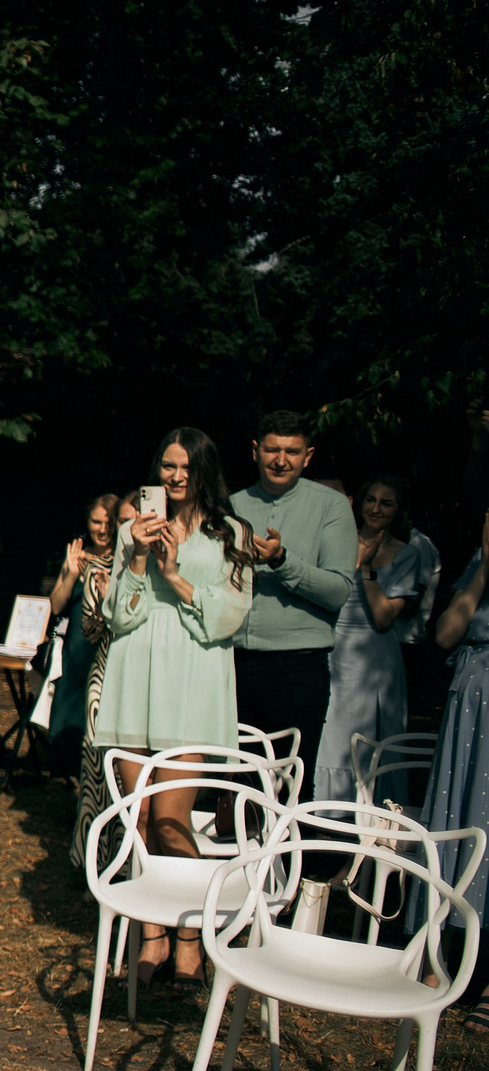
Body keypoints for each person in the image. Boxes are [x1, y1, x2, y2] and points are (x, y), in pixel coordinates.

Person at [89, 427, 256, 989]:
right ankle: (152, 937)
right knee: (138, 821)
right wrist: (137, 556)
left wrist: (175, 576)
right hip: (138, 671)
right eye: (167, 466)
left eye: (185, 467)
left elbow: (232, 615)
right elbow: (119, 614)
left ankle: (192, 938)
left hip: (194, 676)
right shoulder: (132, 526)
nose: (175, 476)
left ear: (204, 469)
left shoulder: (233, 532)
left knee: (170, 817)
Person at [230, 411, 357, 770]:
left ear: (308, 456)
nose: (281, 460)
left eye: (292, 452)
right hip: (233, 660)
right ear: (255, 451)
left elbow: (337, 592)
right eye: (272, 450)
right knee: (237, 782)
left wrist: (282, 560)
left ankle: (288, 830)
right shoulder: (232, 505)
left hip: (297, 666)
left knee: (291, 782)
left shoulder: (331, 506)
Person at [314, 476, 427, 803]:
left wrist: (364, 569)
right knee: (330, 732)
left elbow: (383, 616)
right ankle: (324, 810)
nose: (376, 508)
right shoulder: (334, 542)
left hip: (375, 657)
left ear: (397, 511)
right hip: (332, 649)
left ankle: (369, 813)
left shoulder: (406, 554)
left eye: (386, 503)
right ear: (357, 503)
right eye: (370, 500)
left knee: (368, 737)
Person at [423, 513, 489, 1031]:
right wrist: (486, 565)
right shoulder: (476, 565)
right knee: (456, 825)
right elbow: (445, 635)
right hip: (470, 709)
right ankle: (437, 955)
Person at [72, 494, 142, 848]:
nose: (130, 528)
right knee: (98, 771)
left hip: (146, 673)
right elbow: (90, 630)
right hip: (108, 670)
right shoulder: (100, 567)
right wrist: (104, 603)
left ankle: (134, 855)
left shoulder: (162, 563)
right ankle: (95, 857)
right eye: (123, 521)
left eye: (136, 519)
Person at [45, 494, 120, 789]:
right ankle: (78, 786)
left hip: (104, 652)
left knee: (96, 726)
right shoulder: (78, 555)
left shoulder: (125, 558)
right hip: (76, 653)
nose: (101, 529)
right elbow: (56, 604)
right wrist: (71, 572)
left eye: (108, 522)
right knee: (62, 724)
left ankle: (96, 791)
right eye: (95, 521)